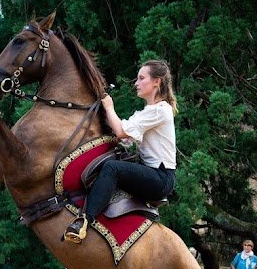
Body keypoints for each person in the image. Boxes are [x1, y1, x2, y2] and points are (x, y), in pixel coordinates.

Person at [65, 59, 177, 243]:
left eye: (142, 78)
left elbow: (121, 131)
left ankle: (84, 220)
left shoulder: (160, 111)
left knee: (112, 168)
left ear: (157, 81)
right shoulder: (146, 112)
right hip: (154, 175)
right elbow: (123, 138)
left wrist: (109, 107)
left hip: (161, 178)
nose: (136, 83)